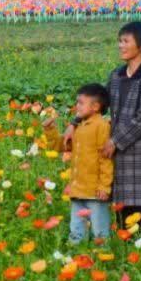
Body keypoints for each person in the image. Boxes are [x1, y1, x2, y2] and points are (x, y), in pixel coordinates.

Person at [64, 22, 141, 235]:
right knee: (121, 204)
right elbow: (97, 105)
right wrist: (74, 123)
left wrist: (115, 141)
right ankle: (126, 250)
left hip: (139, 153)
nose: (120, 45)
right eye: (120, 41)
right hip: (115, 151)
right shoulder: (116, 76)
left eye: (126, 41)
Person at [43, 84, 114, 244]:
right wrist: (50, 131)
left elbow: (106, 159)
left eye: (81, 103)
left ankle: (103, 260)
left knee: (100, 231)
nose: (77, 106)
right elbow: (61, 146)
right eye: (77, 103)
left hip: (95, 191)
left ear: (96, 106)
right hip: (77, 189)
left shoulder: (101, 126)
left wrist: (104, 186)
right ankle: (75, 257)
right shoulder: (79, 127)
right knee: (76, 229)